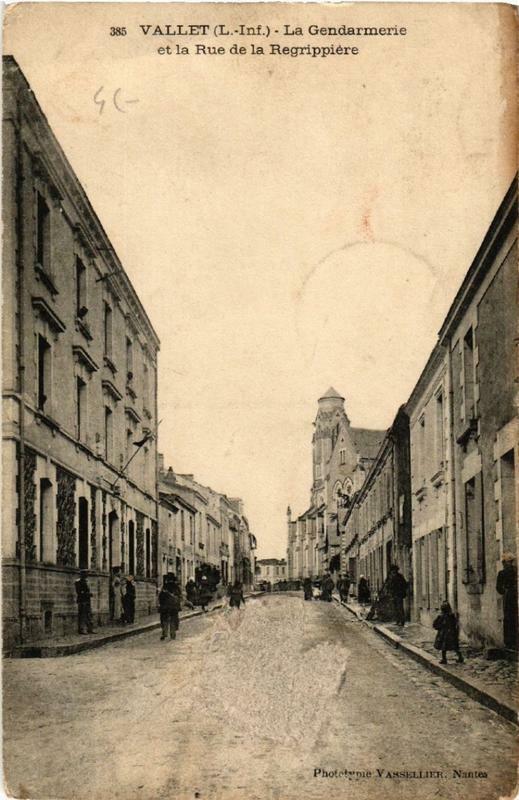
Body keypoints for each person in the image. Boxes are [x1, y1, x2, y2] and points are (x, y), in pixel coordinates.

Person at [496, 552, 518, 652]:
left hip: (509, 596)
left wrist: (505, 591)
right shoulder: (515, 571)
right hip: (513, 594)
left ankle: (510, 642)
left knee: (509, 618)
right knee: (512, 617)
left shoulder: (502, 573)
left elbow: (498, 588)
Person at [158, 573, 181, 640]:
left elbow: (161, 597)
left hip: (165, 607)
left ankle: (164, 633)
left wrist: (161, 604)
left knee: (164, 620)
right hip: (174, 607)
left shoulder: (165, 587)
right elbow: (179, 597)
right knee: (173, 620)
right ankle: (172, 634)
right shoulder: (176, 587)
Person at [75, 570, 94, 634]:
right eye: (85, 574)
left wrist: (89, 594)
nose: (87, 575)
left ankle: (90, 629)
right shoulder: (78, 582)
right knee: (82, 615)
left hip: (87, 600)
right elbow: (79, 592)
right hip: (82, 600)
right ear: (82, 574)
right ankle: (82, 629)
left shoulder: (86, 581)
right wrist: (88, 594)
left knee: (89, 614)